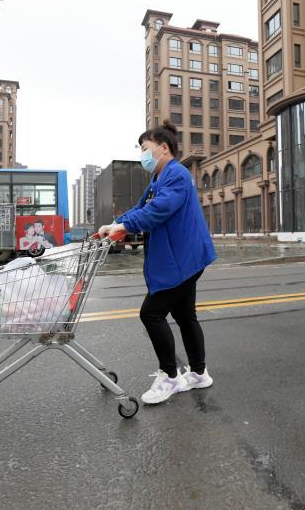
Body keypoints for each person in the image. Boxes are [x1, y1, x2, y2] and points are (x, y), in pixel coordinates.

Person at [98, 120, 217, 405]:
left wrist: (122, 227)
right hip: (184, 257)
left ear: (163, 148)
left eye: (145, 148)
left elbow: (158, 210)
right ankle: (199, 374)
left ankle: (171, 377)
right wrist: (116, 223)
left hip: (183, 259)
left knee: (151, 314)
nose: (142, 154)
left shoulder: (176, 174)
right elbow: (141, 208)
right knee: (185, 316)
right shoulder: (158, 179)